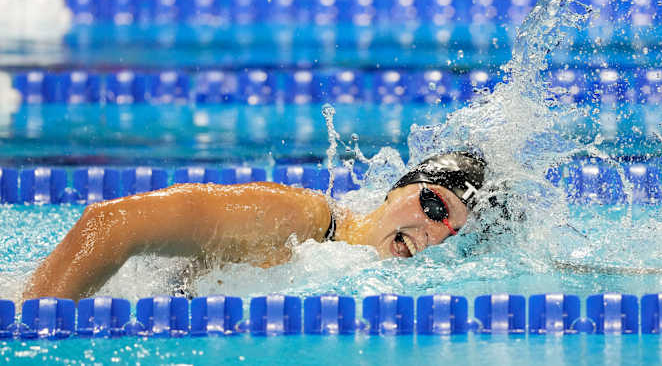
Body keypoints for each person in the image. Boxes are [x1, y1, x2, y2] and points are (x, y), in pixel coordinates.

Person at [23, 151, 487, 301]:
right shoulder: (297, 219)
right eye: (433, 205)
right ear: (397, 189)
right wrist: (38, 326)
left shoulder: (376, 281)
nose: (432, 233)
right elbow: (109, 223)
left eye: (452, 232)